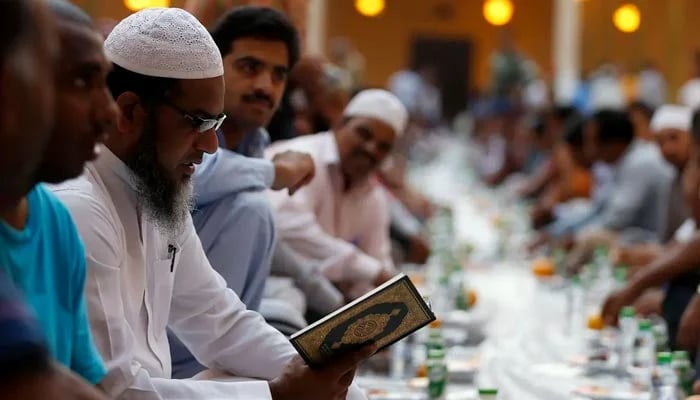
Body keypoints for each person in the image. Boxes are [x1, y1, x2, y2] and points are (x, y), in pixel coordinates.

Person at [51, 8, 372, 399]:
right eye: (197, 123)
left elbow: (219, 321)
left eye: (215, 125)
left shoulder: (159, 188)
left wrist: (330, 380)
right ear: (130, 111)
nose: (209, 146)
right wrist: (277, 394)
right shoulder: (81, 208)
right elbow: (115, 392)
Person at [170, 6, 340, 379]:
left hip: (223, 339)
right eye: (249, 67)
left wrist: (330, 300)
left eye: (278, 75)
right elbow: (193, 176)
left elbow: (274, 247)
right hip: (171, 359)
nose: (265, 86)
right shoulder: (179, 137)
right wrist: (276, 172)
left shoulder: (253, 144)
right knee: (251, 208)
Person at [0, 0, 113, 385]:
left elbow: (82, 379)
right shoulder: (78, 206)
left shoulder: (54, 220)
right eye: (82, 81)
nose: (108, 114)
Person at [268, 89, 407, 300]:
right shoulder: (300, 159)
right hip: (273, 294)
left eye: (383, 147)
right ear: (340, 123)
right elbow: (289, 229)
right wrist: (370, 271)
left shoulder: (373, 195)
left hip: (325, 303)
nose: (371, 149)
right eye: (364, 134)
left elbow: (379, 261)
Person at [602, 108, 700, 351]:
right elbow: (678, 248)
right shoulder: (673, 180)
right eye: (660, 141)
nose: (667, 149)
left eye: (674, 138)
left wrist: (637, 286)